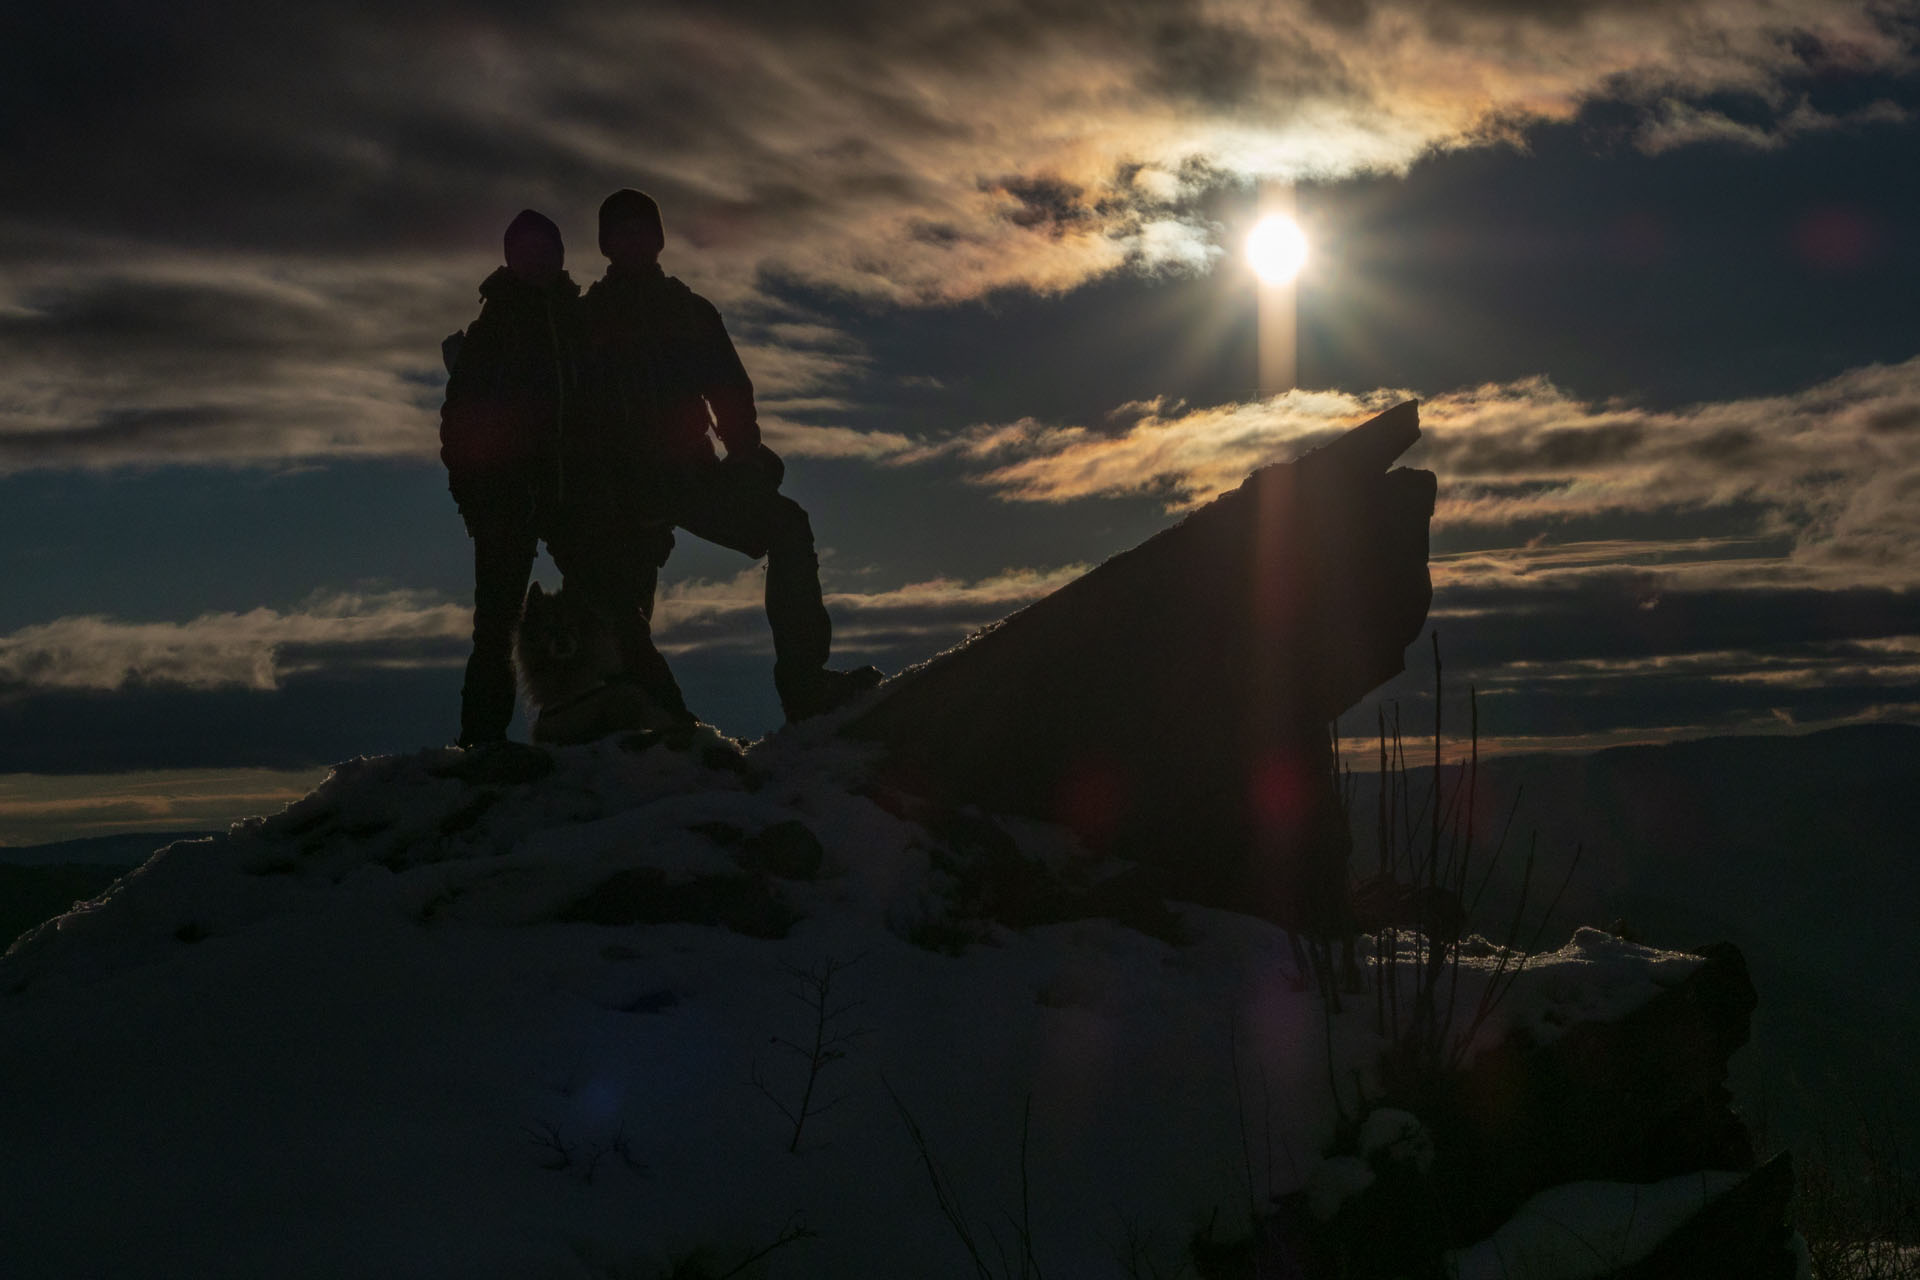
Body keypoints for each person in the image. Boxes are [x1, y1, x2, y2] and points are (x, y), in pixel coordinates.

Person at [576, 188, 880, 721]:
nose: (632, 239)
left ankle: (804, 685)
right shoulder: (585, 320)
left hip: (691, 474)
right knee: (619, 607)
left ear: (657, 238)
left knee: (787, 525)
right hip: (616, 488)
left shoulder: (689, 311)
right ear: (605, 243)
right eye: (620, 230)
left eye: (640, 228)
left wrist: (745, 458)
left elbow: (729, 391)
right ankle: (631, 722)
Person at [439, 209, 689, 748]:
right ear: (510, 259)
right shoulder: (492, 331)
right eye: (525, 252)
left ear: (559, 256)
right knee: (496, 627)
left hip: (575, 496)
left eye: (545, 251)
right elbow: (459, 424)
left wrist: (621, 491)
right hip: (507, 502)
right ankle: (481, 746)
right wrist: (476, 501)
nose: (536, 261)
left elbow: (611, 413)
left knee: (620, 611)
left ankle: (675, 726)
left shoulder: (581, 324)